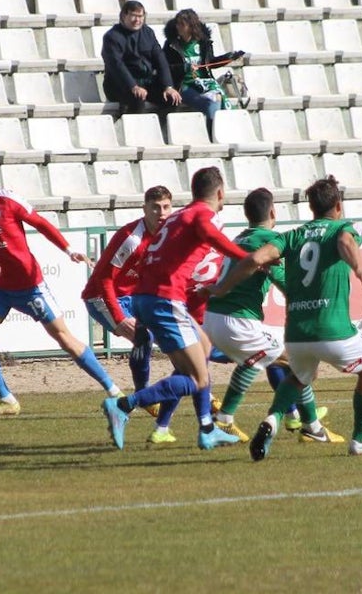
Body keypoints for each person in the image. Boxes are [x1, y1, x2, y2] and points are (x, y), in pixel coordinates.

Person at [210, 175, 362, 460]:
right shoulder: (343, 227)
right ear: (338, 206)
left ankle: (272, 420)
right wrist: (360, 267)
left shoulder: (290, 236)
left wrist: (221, 287)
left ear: (310, 208)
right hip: (333, 331)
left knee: (298, 377)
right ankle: (360, 438)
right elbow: (344, 239)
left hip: (297, 335)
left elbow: (254, 260)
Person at [0, 155, 122, 416]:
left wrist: (68, 250)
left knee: (64, 338)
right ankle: (7, 399)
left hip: (29, 285)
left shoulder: (7, 200)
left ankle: (114, 390)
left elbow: (42, 224)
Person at [100, 166, 250, 451]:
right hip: (165, 299)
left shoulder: (178, 216)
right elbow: (210, 233)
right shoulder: (202, 215)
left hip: (149, 296)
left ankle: (206, 428)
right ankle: (123, 405)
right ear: (220, 193)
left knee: (201, 353)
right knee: (197, 377)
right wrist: (247, 258)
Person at [204, 188, 343, 445]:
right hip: (237, 320)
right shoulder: (269, 242)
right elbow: (287, 284)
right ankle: (310, 426)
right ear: (272, 212)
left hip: (213, 317)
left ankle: (228, 419)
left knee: (264, 359)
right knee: (298, 361)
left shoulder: (239, 239)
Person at [80, 185, 172, 437]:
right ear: (144, 209)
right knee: (143, 337)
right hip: (101, 296)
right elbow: (103, 279)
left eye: (165, 207)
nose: (161, 212)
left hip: (135, 297)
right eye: (155, 207)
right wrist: (119, 317)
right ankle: (143, 396)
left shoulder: (168, 234)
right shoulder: (131, 238)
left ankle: (144, 397)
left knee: (162, 338)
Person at [162, 8, 245, 133]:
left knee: (216, 97)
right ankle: (215, 134)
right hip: (184, 85)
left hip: (203, 82)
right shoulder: (171, 45)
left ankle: (217, 133)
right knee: (210, 103)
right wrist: (185, 68)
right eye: (177, 23)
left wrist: (228, 58)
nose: (178, 26)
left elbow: (210, 63)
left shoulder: (203, 43)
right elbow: (166, 68)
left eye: (181, 24)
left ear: (191, 26)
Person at [101, 0, 181, 116]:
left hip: (146, 82)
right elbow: (117, 65)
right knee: (137, 98)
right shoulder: (112, 37)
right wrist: (133, 86)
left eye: (140, 16)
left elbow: (160, 60)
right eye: (133, 16)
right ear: (124, 15)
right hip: (121, 85)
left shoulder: (148, 32)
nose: (137, 20)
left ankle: (159, 126)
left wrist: (168, 86)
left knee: (172, 99)